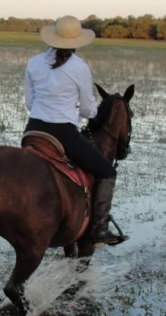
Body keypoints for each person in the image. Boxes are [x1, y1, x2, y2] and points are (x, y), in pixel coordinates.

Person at [23, 15, 127, 247]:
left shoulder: (33, 62)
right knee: (106, 172)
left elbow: (30, 103)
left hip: (33, 131)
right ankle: (99, 228)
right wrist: (76, 112)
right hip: (63, 133)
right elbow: (90, 110)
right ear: (77, 41)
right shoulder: (80, 68)